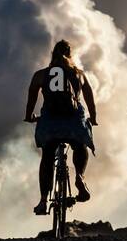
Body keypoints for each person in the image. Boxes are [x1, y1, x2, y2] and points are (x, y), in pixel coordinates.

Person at [24, 40, 98, 215]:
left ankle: (43, 201)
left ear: (52, 55)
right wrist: (93, 119)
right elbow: (90, 100)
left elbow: (31, 100)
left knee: (48, 156)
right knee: (80, 145)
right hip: (74, 122)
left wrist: (29, 117)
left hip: (50, 122)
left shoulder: (41, 75)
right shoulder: (79, 74)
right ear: (70, 55)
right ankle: (79, 176)